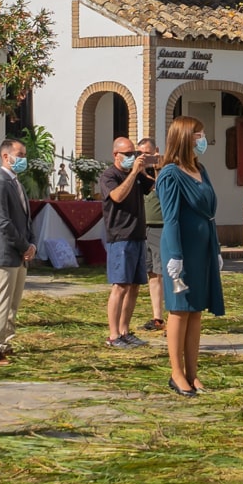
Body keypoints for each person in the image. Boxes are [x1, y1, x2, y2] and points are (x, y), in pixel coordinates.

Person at [157, 115, 222, 396]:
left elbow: (208, 214)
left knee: (195, 311)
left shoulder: (200, 169)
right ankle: (176, 373)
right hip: (181, 250)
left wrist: (216, 248)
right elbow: (170, 218)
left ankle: (194, 374)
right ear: (184, 137)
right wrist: (174, 255)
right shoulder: (170, 174)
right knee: (179, 310)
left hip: (202, 250)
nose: (202, 139)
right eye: (198, 134)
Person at [0, 137, 36, 366]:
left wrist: (31, 244)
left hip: (20, 254)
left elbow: (24, 218)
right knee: (2, 301)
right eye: (20, 155)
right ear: (6, 156)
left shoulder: (16, 182)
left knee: (13, 303)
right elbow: (1, 222)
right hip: (5, 252)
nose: (23, 159)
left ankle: (6, 342)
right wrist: (24, 245)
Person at [98, 135, 156, 347]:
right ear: (116, 155)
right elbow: (117, 197)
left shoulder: (135, 174)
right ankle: (113, 335)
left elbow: (151, 188)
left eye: (135, 153)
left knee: (133, 286)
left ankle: (124, 330)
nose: (133, 157)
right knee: (120, 285)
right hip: (120, 236)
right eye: (128, 154)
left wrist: (147, 169)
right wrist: (133, 173)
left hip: (138, 234)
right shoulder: (109, 175)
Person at [139, 135, 168, 331]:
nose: (145, 158)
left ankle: (171, 315)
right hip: (142, 227)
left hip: (159, 226)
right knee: (151, 272)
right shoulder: (137, 173)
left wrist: (157, 165)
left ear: (156, 151)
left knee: (161, 271)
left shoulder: (164, 171)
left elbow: (162, 189)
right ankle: (156, 316)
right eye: (141, 155)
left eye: (148, 154)